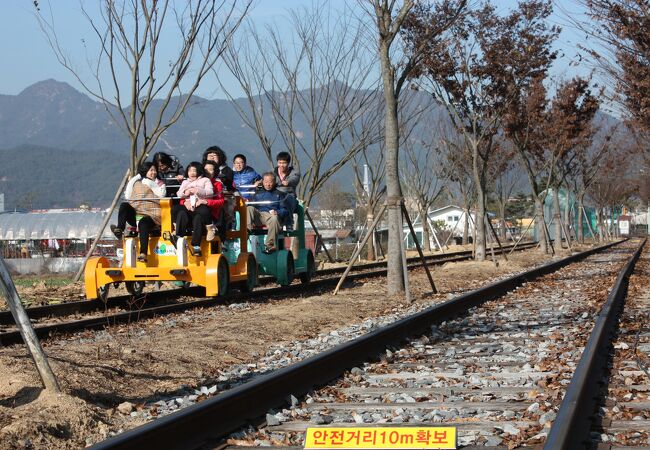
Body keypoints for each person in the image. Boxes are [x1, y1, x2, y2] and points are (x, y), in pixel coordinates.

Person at [111, 162, 166, 263]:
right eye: (151, 170)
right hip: (137, 212)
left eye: (154, 170)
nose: (153, 172)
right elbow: (128, 196)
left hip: (152, 215)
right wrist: (137, 177)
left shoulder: (159, 183)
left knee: (143, 223)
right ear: (145, 171)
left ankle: (143, 253)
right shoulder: (136, 183)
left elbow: (161, 195)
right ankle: (120, 229)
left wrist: (150, 183)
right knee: (124, 205)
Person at [172, 161, 214, 256]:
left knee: (200, 216)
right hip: (188, 205)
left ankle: (196, 245)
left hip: (199, 204)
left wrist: (198, 190)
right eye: (190, 171)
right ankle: (177, 235)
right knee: (177, 209)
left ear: (199, 171)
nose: (192, 173)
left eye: (194, 171)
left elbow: (210, 192)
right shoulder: (185, 182)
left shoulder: (205, 180)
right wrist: (185, 192)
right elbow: (179, 193)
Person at [246, 172, 289, 253]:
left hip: (271, 217)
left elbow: (285, 210)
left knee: (274, 218)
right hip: (259, 215)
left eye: (270, 182)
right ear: (263, 182)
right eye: (266, 182)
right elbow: (252, 205)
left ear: (274, 182)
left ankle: (270, 245)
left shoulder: (279, 194)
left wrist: (277, 212)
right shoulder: (258, 193)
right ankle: (246, 231)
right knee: (249, 208)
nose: (268, 184)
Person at [273, 151, 300, 230]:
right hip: (276, 196)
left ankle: (289, 223)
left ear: (288, 163)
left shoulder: (294, 173)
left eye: (284, 163)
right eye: (280, 163)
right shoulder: (273, 173)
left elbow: (295, 179)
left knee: (286, 200)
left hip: (289, 196)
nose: (281, 165)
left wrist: (288, 182)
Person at [202, 160, 226, 241]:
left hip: (212, 212)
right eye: (206, 169)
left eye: (210, 169)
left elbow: (220, 201)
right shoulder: (197, 182)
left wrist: (207, 202)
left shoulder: (217, 184)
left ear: (215, 172)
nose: (207, 172)